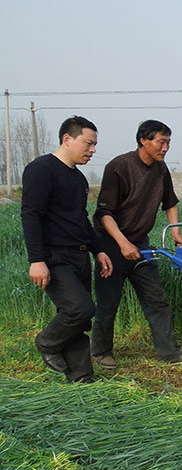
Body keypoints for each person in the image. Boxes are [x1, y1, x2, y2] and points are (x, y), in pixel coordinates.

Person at [91, 119, 182, 368]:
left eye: (168, 142)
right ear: (144, 140)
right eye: (161, 142)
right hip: (111, 245)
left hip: (142, 245)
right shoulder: (119, 167)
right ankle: (101, 352)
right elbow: (104, 213)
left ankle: (169, 353)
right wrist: (123, 243)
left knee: (155, 298)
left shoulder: (160, 169)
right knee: (108, 302)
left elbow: (170, 202)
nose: (165, 148)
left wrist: (175, 233)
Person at [21, 116, 113, 383]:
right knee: (80, 309)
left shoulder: (78, 179)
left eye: (95, 145)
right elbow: (31, 215)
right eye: (89, 143)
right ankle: (47, 342)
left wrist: (98, 250)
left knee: (80, 320)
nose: (93, 150)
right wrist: (37, 260)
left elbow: (81, 219)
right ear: (67, 139)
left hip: (79, 254)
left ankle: (82, 378)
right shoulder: (41, 170)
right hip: (54, 256)